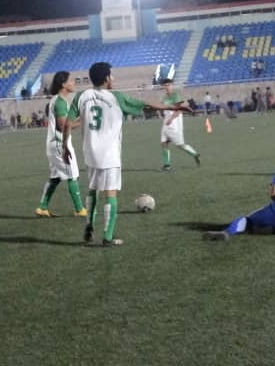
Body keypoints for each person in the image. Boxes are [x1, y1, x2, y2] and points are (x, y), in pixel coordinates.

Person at [62, 62, 190, 246]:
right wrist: (173, 108)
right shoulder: (116, 97)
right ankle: (107, 237)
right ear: (106, 79)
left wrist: (65, 147)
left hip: (89, 153)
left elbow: (67, 123)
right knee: (110, 195)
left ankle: (89, 225)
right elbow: (146, 105)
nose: (113, 78)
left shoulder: (82, 96)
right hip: (109, 155)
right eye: (111, 75)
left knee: (93, 190)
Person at [35, 71, 87, 218]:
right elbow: (63, 126)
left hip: (53, 144)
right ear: (63, 84)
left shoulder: (58, 100)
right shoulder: (59, 102)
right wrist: (84, 120)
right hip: (59, 144)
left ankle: (42, 208)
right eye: (71, 80)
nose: (74, 82)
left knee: (56, 177)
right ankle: (80, 210)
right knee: (72, 175)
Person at [155, 64, 201, 171]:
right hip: (166, 122)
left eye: (168, 85)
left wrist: (171, 119)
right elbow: (162, 106)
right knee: (163, 143)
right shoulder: (165, 97)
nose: (166, 87)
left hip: (173, 122)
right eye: (165, 85)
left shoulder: (175, 95)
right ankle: (167, 165)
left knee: (180, 144)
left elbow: (179, 109)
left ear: (172, 85)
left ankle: (195, 154)